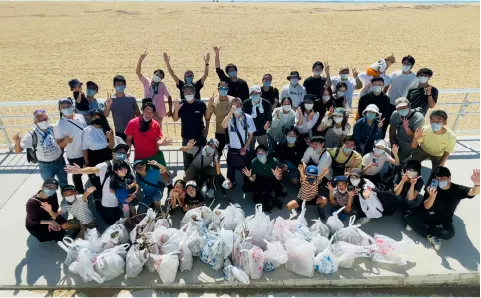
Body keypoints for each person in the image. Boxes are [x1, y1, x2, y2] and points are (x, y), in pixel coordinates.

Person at [403, 167, 480, 250]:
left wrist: (477, 184)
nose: (440, 180)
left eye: (443, 178)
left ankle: (423, 228)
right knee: (407, 215)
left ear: (449, 178)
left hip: (443, 218)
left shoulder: (457, 189)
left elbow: (473, 192)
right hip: (426, 213)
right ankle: (430, 234)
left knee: (449, 234)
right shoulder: (432, 188)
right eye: (438, 178)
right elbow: (426, 206)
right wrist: (432, 196)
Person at [65, 144, 131, 225]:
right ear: (113, 154)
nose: (122, 154)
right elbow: (93, 169)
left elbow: (134, 181)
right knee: (112, 221)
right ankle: (99, 205)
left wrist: (133, 195)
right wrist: (80, 171)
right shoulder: (105, 165)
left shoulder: (127, 165)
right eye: (119, 152)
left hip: (123, 196)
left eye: (124, 153)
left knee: (129, 214)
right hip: (109, 199)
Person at [13, 110, 68, 188]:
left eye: (45, 119)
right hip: (46, 166)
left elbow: (62, 144)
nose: (43, 122)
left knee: (64, 182)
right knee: (50, 186)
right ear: (35, 122)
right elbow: (18, 150)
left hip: (60, 161)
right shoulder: (31, 135)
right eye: (40, 120)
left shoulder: (54, 128)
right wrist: (17, 141)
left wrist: (66, 140)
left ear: (48, 119)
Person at [173, 84, 211, 170]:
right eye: (186, 92)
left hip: (200, 136)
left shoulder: (200, 104)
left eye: (190, 91)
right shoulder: (180, 104)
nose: (188, 93)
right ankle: (188, 177)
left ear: (194, 92)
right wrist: (176, 109)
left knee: (202, 159)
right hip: (186, 137)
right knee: (187, 161)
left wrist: (207, 128)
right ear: (183, 93)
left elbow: (207, 117)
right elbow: (175, 119)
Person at [54, 98, 87, 194]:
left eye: (68, 106)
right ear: (59, 109)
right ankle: (81, 194)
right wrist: (66, 140)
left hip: (87, 151)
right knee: (77, 176)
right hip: (75, 155)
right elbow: (59, 144)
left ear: (72, 106)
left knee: (90, 172)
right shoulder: (58, 125)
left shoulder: (80, 117)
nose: (66, 108)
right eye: (63, 107)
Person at [410, 110, 457, 177]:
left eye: (438, 121)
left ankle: (430, 186)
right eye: (432, 121)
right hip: (423, 150)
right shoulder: (424, 130)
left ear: (445, 122)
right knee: (411, 166)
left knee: (437, 174)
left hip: (437, 155)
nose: (435, 123)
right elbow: (413, 147)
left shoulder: (451, 137)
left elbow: (446, 153)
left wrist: (440, 167)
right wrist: (415, 138)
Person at [125, 102, 170, 169]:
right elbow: (128, 140)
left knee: (165, 174)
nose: (148, 113)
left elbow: (158, 140)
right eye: (146, 110)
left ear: (153, 113)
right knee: (141, 178)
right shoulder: (132, 123)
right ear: (142, 111)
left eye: (151, 111)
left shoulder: (156, 124)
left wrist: (162, 142)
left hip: (155, 156)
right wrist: (128, 151)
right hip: (140, 158)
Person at [222, 98, 256, 187]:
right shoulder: (229, 117)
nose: (236, 107)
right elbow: (223, 125)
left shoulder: (248, 117)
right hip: (232, 148)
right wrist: (230, 113)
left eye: (238, 105)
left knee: (245, 168)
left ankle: (247, 184)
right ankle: (231, 184)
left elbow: (251, 135)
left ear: (241, 106)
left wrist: (245, 148)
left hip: (244, 148)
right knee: (231, 168)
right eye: (233, 105)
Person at [81, 109, 115, 198]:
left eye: (98, 117)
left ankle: (108, 194)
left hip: (106, 155)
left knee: (107, 176)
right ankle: (98, 197)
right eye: (94, 117)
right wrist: (87, 163)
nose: (96, 119)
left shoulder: (107, 129)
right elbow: (84, 148)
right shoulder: (86, 130)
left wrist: (110, 138)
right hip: (93, 156)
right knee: (95, 178)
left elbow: (111, 146)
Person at [241, 145, 284, 210]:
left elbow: (279, 178)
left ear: (267, 153)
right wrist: (249, 175)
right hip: (260, 180)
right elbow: (253, 179)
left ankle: (270, 194)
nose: (260, 154)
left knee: (283, 193)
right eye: (258, 152)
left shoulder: (274, 161)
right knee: (246, 188)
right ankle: (262, 193)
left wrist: (277, 176)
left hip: (271, 180)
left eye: (263, 152)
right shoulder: (254, 162)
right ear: (256, 154)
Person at [389, 97, 425, 173]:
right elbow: (392, 129)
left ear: (409, 105)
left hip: (410, 143)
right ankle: (392, 171)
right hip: (398, 141)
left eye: (404, 107)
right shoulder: (395, 114)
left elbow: (416, 137)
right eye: (399, 108)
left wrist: (407, 129)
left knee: (403, 162)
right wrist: (393, 142)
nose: (402, 110)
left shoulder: (418, 118)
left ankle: (399, 175)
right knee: (394, 158)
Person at [136, 52, 172, 127]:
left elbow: (169, 96)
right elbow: (138, 73)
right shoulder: (147, 82)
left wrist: (170, 110)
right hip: (147, 110)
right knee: (146, 128)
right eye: (157, 74)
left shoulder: (162, 85)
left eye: (160, 76)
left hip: (158, 112)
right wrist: (140, 60)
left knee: (157, 129)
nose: (158, 76)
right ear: (154, 74)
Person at [104, 75, 140, 142]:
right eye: (118, 84)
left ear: (125, 85)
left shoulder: (131, 98)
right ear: (114, 85)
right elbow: (105, 115)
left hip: (133, 130)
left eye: (122, 84)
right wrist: (108, 105)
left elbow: (138, 114)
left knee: (139, 150)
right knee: (122, 151)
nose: (120, 85)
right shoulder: (110, 100)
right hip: (119, 131)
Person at [385, 55, 418, 123]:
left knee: (399, 124)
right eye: (404, 63)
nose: (405, 65)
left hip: (402, 105)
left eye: (408, 64)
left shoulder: (414, 78)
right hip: (390, 103)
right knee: (385, 122)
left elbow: (412, 92)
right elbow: (387, 84)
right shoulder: (395, 74)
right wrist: (384, 95)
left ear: (411, 66)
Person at [208, 82, 234, 158]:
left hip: (232, 132)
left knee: (232, 154)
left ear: (228, 89)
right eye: (221, 88)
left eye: (225, 88)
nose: (223, 90)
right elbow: (208, 116)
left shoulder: (233, 100)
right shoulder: (214, 102)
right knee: (217, 154)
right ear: (218, 89)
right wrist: (209, 105)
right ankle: (216, 169)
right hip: (220, 132)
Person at [243, 85, 272, 150]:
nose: (255, 95)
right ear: (250, 94)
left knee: (265, 149)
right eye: (253, 93)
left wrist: (268, 125)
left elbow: (269, 118)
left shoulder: (266, 103)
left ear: (260, 93)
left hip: (262, 132)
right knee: (249, 150)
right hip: (250, 132)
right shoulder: (246, 103)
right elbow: (243, 117)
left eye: (257, 93)